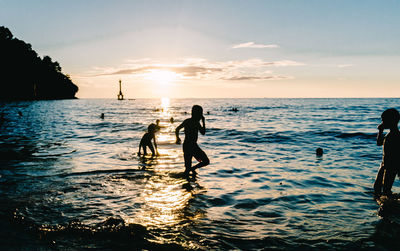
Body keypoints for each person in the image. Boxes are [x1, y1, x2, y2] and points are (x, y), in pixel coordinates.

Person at [175, 105, 210, 175]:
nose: (201, 115)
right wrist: (203, 122)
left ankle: (191, 170)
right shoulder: (193, 122)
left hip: (191, 145)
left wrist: (178, 138)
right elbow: (203, 133)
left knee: (204, 161)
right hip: (190, 146)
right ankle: (190, 174)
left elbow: (177, 129)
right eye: (200, 113)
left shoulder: (190, 121)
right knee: (204, 161)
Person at [373, 108, 400, 197]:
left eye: (384, 120)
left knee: (386, 189)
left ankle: (388, 206)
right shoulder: (389, 134)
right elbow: (379, 143)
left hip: (392, 165)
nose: (382, 122)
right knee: (377, 187)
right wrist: (380, 131)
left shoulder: (395, 135)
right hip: (384, 164)